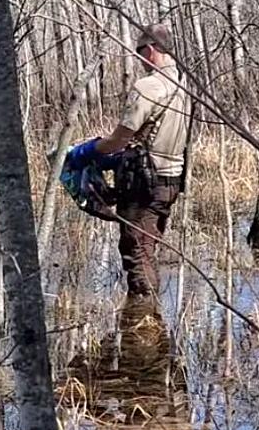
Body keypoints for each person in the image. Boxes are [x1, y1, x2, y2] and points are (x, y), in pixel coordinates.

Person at [66, 24, 190, 300]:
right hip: (170, 182)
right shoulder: (182, 87)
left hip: (145, 184)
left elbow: (120, 139)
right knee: (147, 246)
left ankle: (144, 325)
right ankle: (153, 326)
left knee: (136, 251)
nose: (140, 60)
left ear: (150, 50)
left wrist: (86, 151)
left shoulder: (148, 87)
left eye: (140, 52)